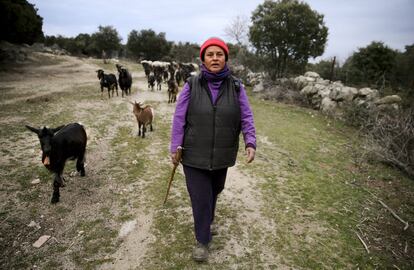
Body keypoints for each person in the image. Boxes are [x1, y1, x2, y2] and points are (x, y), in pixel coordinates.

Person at [170, 37, 256, 262]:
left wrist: (250, 141)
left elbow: (246, 116)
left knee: (215, 189)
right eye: (210, 54)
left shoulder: (236, 86)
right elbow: (179, 117)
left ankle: (209, 219)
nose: (215, 58)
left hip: (222, 153)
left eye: (219, 54)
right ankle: (202, 240)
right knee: (200, 197)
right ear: (204, 59)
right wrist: (175, 146)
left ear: (226, 58)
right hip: (193, 153)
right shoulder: (192, 84)